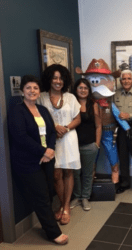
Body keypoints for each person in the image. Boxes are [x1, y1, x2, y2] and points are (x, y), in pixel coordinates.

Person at [8, 75, 68, 244]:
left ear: (39, 91)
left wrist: (49, 150)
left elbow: (50, 132)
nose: (32, 91)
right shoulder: (17, 111)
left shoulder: (42, 110)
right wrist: (42, 151)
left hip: (47, 158)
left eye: (35, 88)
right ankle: (53, 232)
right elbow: (20, 137)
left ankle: (46, 223)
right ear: (22, 91)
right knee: (41, 196)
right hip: (28, 161)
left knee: (49, 191)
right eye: (28, 88)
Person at [38, 64, 81, 224]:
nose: (58, 81)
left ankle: (66, 208)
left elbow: (78, 118)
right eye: (55, 77)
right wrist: (54, 127)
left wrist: (66, 127)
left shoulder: (70, 97)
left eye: (61, 78)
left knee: (68, 173)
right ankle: (62, 205)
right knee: (56, 175)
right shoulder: (41, 97)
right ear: (49, 79)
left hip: (69, 138)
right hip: (51, 140)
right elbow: (37, 117)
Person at [70, 78, 101, 211]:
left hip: (89, 145)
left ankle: (85, 197)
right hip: (73, 146)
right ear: (76, 89)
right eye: (80, 88)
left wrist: (97, 144)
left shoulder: (93, 105)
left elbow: (99, 126)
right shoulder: (70, 104)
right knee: (75, 173)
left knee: (88, 173)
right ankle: (77, 196)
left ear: (89, 90)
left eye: (85, 88)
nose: (83, 90)